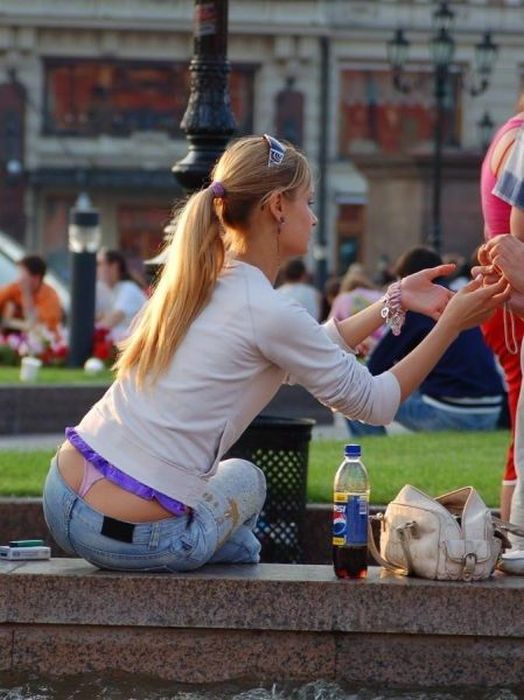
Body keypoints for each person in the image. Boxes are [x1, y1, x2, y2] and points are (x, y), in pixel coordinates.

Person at [42, 134, 508, 574]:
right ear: (277, 207)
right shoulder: (265, 308)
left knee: (236, 534)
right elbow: (378, 402)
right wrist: (449, 325)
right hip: (130, 536)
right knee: (246, 485)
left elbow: (300, 350)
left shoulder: (199, 282)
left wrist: (394, 300)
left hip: (61, 491)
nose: (314, 217)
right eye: (307, 202)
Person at [347, 246, 505, 437]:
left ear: (406, 279)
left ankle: (372, 447)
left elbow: (376, 366)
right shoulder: (459, 299)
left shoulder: (418, 306)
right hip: (491, 409)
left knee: (355, 394)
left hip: (449, 412)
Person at [480, 96, 524, 520]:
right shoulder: (520, 137)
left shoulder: (512, 131)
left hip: (505, 293)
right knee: (519, 431)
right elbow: (516, 237)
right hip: (512, 298)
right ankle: (515, 536)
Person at [329, 263, 384, 356]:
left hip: (351, 348)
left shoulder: (341, 298)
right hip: (377, 347)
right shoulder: (379, 295)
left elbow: (331, 327)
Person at [0, 255, 62, 334]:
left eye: (23, 275)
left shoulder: (50, 297)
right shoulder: (15, 288)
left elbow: (34, 325)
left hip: (39, 341)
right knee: (10, 306)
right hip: (11, 339)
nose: (19, 279)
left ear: (36, 278)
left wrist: (26, 293)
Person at [96, 249, 147, 343]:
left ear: (114, 266)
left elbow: (113, 319)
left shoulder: (128, 288)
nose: (96, 268)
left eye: (99, 263)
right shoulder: (111, 289)